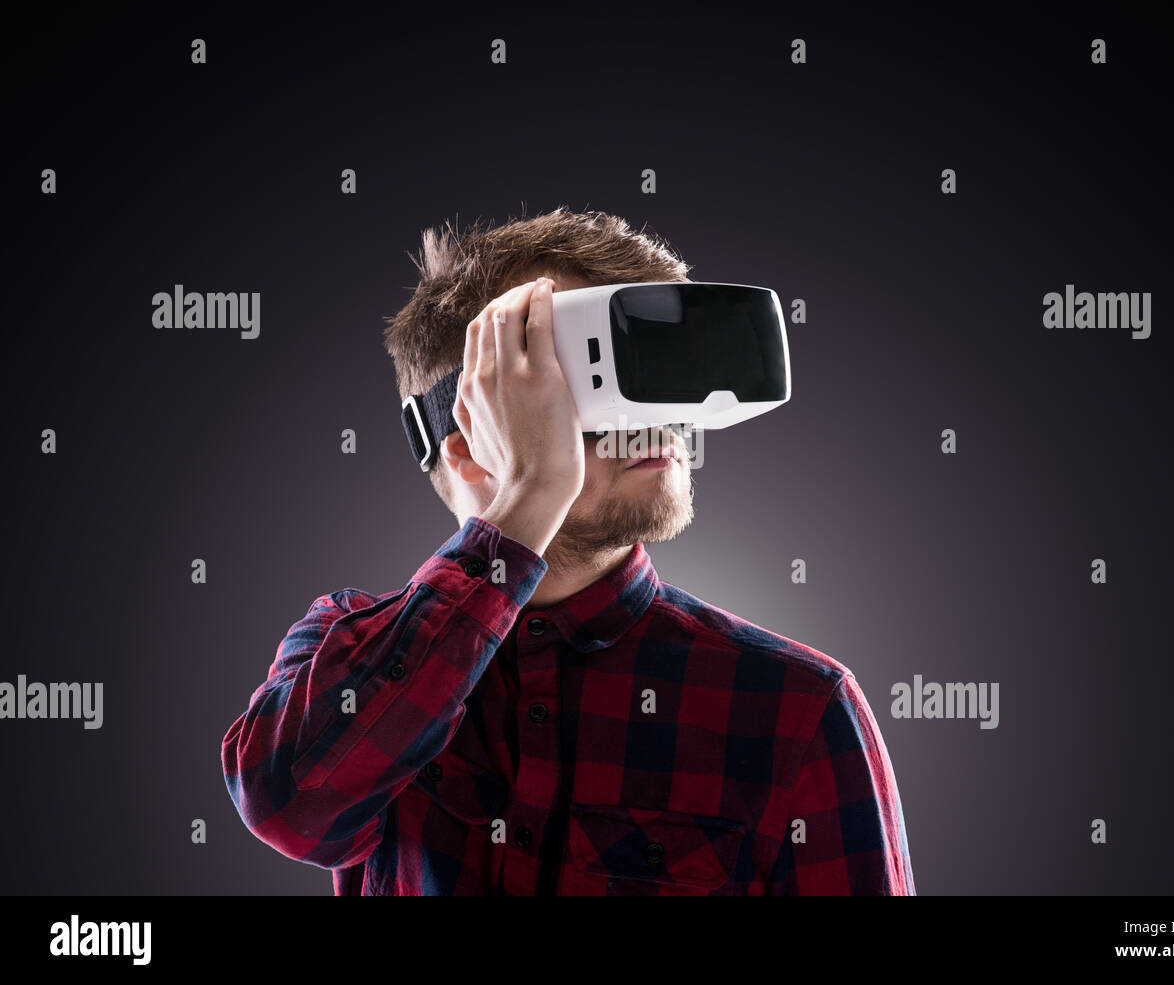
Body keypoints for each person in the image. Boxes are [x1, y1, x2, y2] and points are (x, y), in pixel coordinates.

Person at [221, 207, 916, 895]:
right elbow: (291, 807)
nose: (654, 414)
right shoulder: (347, 654)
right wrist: (529, 495)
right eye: (584, 371)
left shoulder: (798, 709)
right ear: (465, 440)